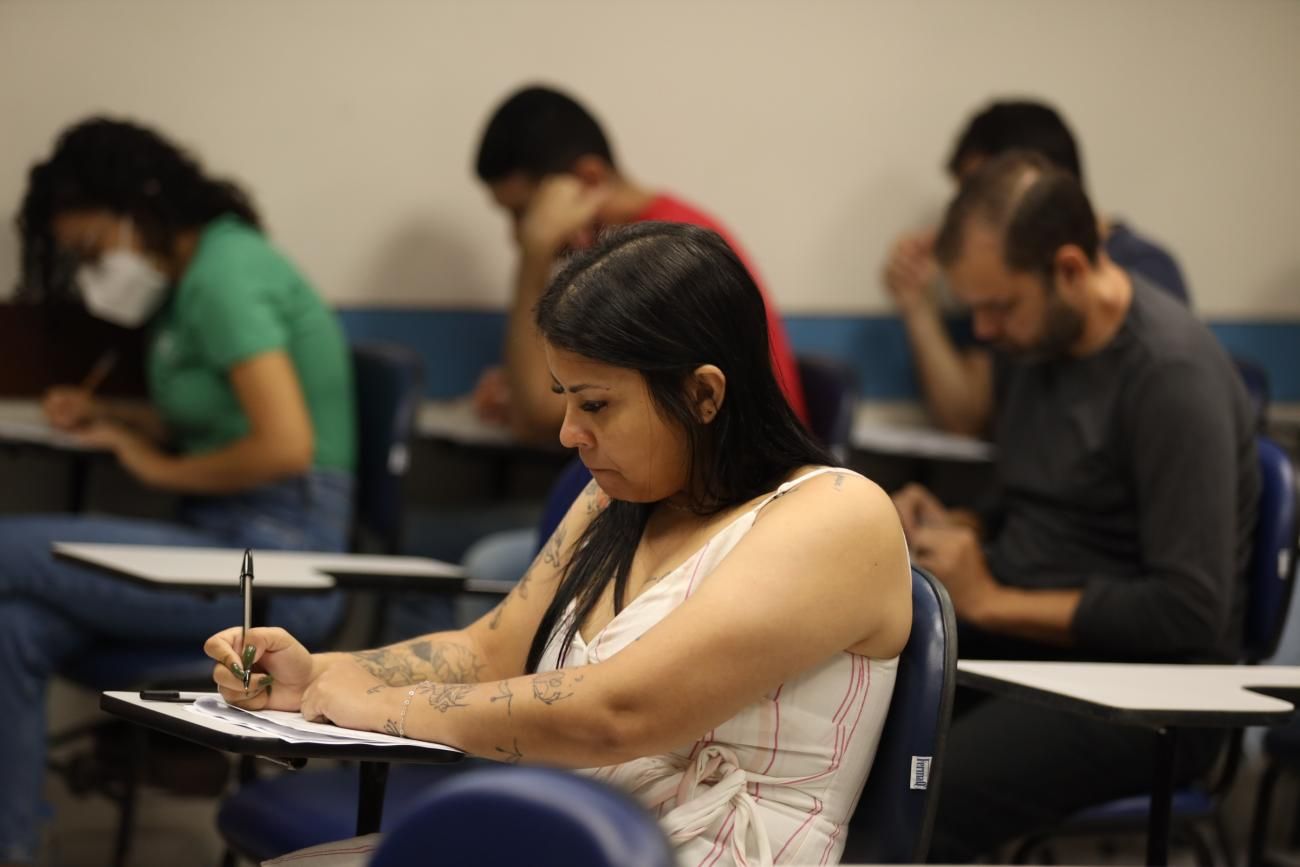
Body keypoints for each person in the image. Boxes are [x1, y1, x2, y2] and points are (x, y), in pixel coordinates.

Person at [206, 222, 912, 867]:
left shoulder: (838, 516)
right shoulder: (617, 495)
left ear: (704, 394)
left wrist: (383, 704)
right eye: (564, 398)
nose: (568, 432)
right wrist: (321, 678)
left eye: (596, 403)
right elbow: (491, 649)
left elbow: (617, 712)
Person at [0, 117, 356, 865]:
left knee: (7, 549)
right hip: (219, 543)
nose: (92, 271)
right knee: (14, 626)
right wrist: (113, 413)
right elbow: (217, 414)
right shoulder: (192, 281)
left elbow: (285, 443)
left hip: (279, 559)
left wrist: (154, 466)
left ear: (139, 207)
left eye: (92, 250)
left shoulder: (225, 274)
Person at [888, 152, 1258, 862]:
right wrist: (957, 525)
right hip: (1038, 643)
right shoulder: (1038, 343)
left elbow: (1190, 609)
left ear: (1069, 268)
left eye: (1000, 306)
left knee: (929, 788)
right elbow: (1037, 496)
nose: (987, 332)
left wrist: (989, 599)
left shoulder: (1171, 377)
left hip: (1154, 687)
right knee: (845, 720)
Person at [471, 84, 808, 441]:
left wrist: (534, 254)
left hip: (750, 487)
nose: (519, 235)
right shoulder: (636, 243)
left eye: (525, 213)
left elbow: (538, 421)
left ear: (588, 179)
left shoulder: (661, 255)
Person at [884, 99, 1190, 436]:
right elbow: (970, 415)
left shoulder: (1146, 288)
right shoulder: (1011, 299)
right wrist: (917, 305)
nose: (964, 214)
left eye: (984, 195)